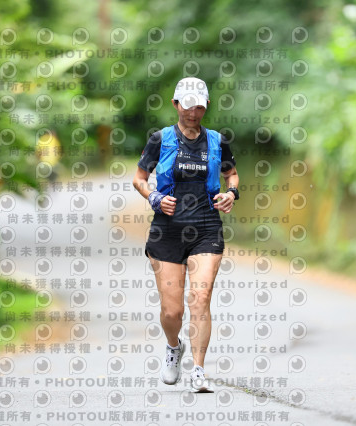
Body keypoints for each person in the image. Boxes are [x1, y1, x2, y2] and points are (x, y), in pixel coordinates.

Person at [132, 77, 240, 393]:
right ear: (176, 104)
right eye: (188, 106)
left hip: (206, 227)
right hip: (167, 230)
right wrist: (153, 197)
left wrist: (231, 193)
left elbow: (232, 174)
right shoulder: (160, 139)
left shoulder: (217, 141)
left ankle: (199, 371)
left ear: (206, 107)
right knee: (172, 311)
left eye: (199, 107)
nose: (193, 113)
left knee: (200, 298)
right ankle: (173, 346)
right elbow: (139, 178)